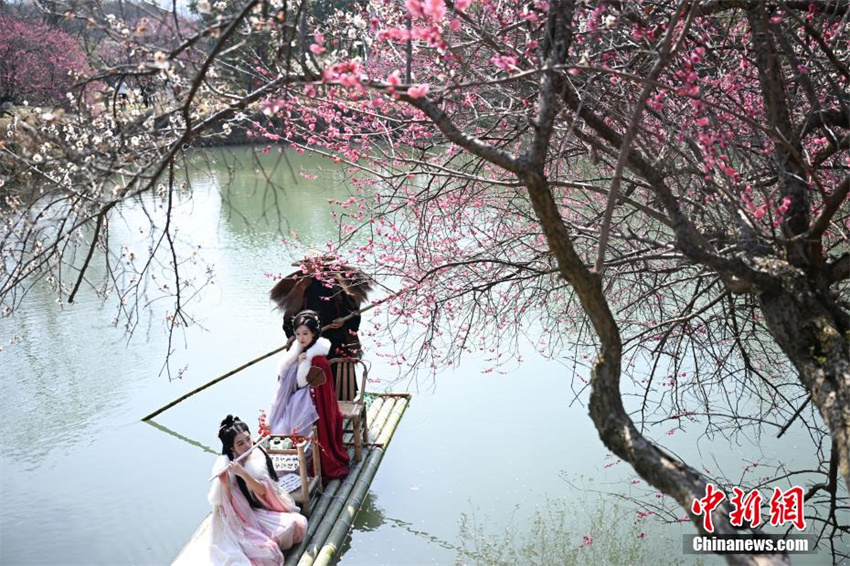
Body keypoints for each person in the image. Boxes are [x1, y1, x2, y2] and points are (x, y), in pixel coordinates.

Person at [173, 415, 307, 566]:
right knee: (269, 553)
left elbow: (264, 491)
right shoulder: (227, 467)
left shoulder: (256, 454)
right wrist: (225, 484)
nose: (248, 445)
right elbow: (229, 508)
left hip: (259, 510)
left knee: (297, 523)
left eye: (248, 439)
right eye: (240, 443)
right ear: (232, 448)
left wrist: (243, 473)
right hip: (242, 519)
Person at [270, 257, 372, 399]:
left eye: (315, 264)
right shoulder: (301, 285)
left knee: (337, 374)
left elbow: (353, 312)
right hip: (308, 340)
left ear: (322, 264)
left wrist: (343, 321)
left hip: (335, 338)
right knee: (307, 373)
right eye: (308, 265)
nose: (312, 267)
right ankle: (307, 405)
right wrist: (292, 335)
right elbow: (290, 317)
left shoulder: (334, 282)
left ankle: (339, 403)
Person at [268, 310, 350, 481]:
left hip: (313, 403)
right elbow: (291, 381)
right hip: (298, 400)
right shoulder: (297, 352)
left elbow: (315, 386)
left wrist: (303, 366)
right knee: (283, 427)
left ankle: (309, 463)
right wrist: (297, 364)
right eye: (298, 334)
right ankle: (285, 461)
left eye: (305, 333)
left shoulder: (318, 358)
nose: (301, 338)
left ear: (314, 333)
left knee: (296, 427)